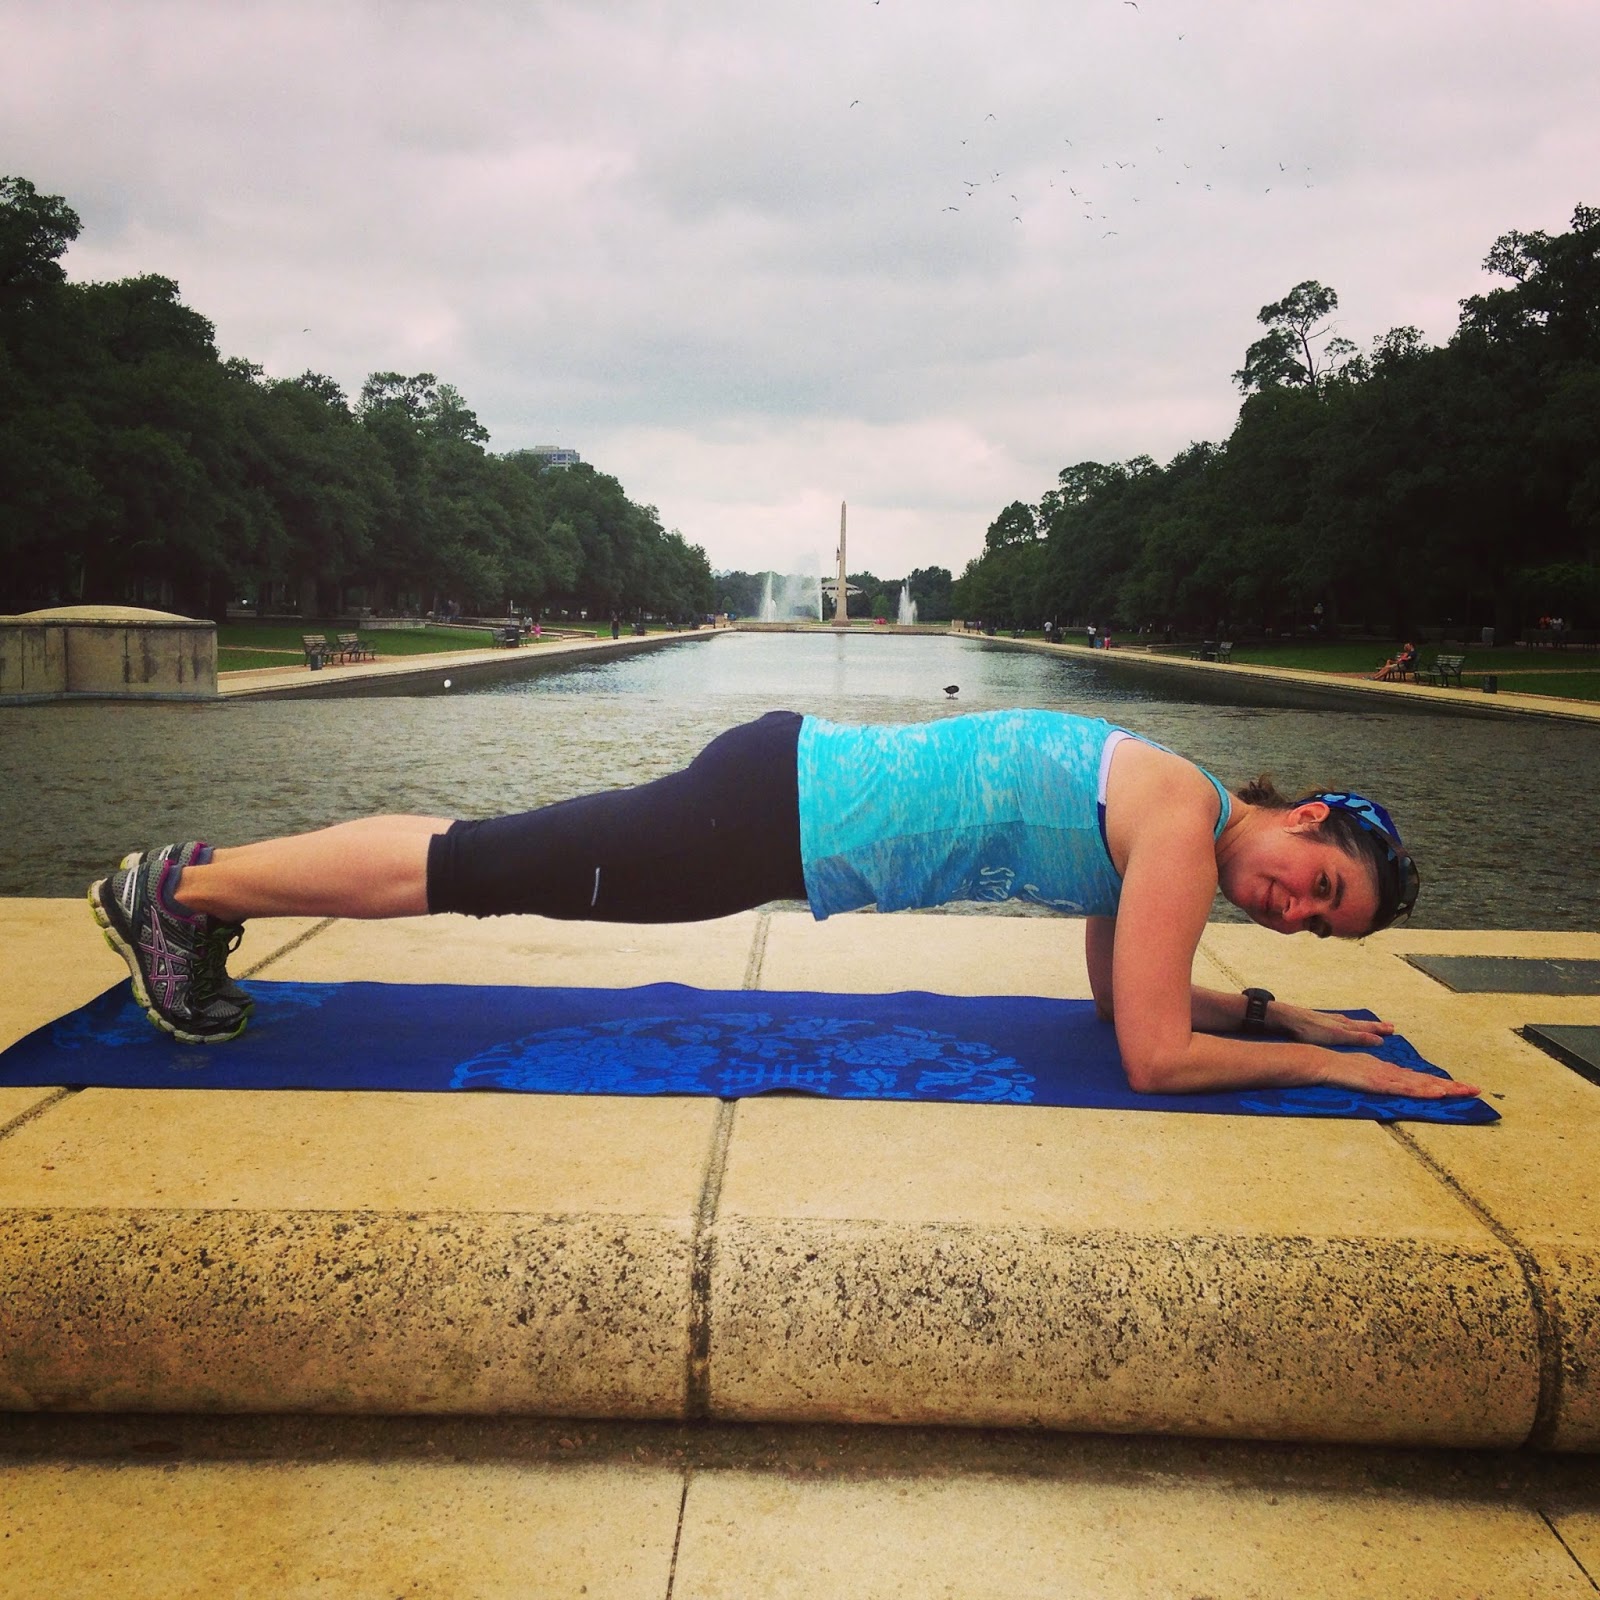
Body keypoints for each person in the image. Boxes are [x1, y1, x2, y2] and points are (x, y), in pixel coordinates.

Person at [87, 709, 1472, 1103]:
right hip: (767, 819)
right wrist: (1328, 1069)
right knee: (476, 866)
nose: (1295, 914)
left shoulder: (1172, 809)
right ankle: (185, 890)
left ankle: (200, 884)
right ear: (1308, 816)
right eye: (1321, 888)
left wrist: (1285, 1015)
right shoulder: (1176, 820)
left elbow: (1126, 997)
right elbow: (1154, 1058)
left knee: (482, 860)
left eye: (1317, 927)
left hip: (777, 797)